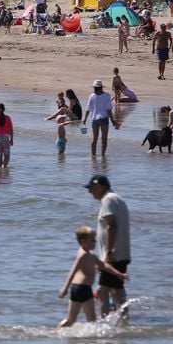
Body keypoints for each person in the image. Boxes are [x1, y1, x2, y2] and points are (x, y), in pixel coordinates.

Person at [57, 225, 128, 328]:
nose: (95, 242)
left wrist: (120, 274)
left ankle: (57, 332)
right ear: (83, 241)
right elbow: (73, 270)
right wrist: (65, 288)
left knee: (71, 320)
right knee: (92, 321)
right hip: (83, 289)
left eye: (95, 239)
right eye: (92, 240)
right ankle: (93, 343)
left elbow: (104, 265)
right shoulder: (83, 255)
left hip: (76, 288)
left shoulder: (90, 255)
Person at [84, 175, 131, 317]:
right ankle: (124, 319)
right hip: (122, 253)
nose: (89, 192)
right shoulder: (117, 198)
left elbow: (112, 226)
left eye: (91, 188)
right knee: (115, 289)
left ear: (99, 186)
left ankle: (103, 322)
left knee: (103, 290)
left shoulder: (108, 200)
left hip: (113, 256)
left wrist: (108, 254)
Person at [82, 80, 120, 156]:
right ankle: (103, 156)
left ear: (94, 88)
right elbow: (108, 109)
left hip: (94, 119)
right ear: (101, 87)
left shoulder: (91, 96)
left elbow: (88, 109)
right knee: (104, 139)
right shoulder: (106, 95)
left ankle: (93, 156)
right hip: (104, 118)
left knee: (94, 139)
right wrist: (112, 120)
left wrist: (85, 119)